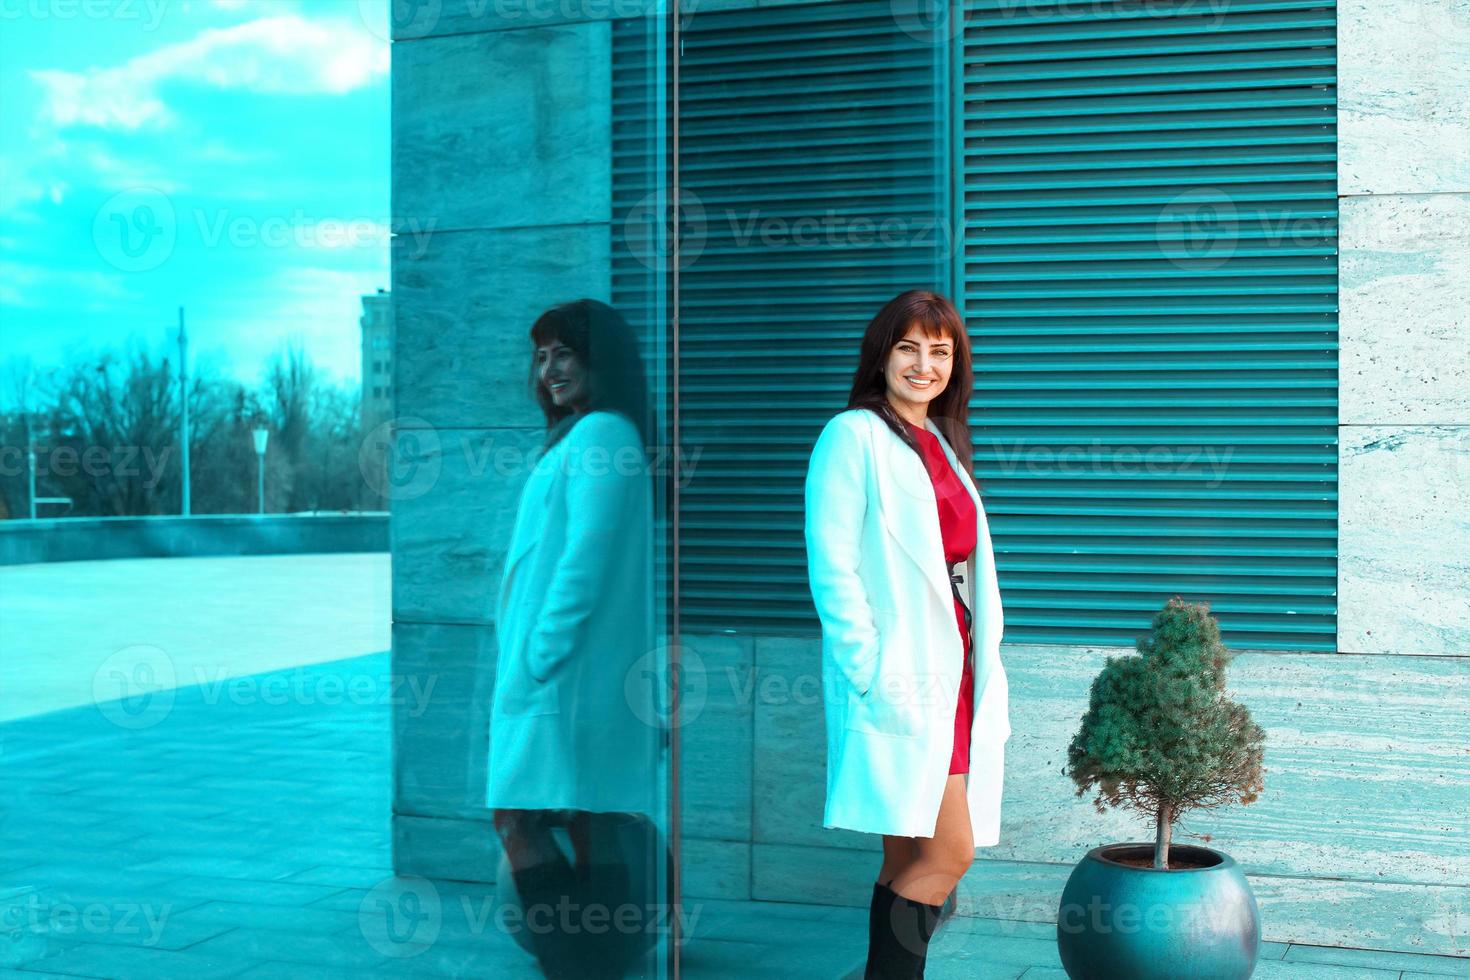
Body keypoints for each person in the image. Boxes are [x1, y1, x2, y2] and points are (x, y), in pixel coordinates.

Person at [803, 289, 1011, 978]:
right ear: (882, 355)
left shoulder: (944, 443)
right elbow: (832, 566)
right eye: (909, 348)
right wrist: (870, 669)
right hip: (902, 675)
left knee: (907, 855)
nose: (924, 365)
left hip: (954, 668)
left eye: (940, 352)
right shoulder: (852, 434)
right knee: (950, 853)